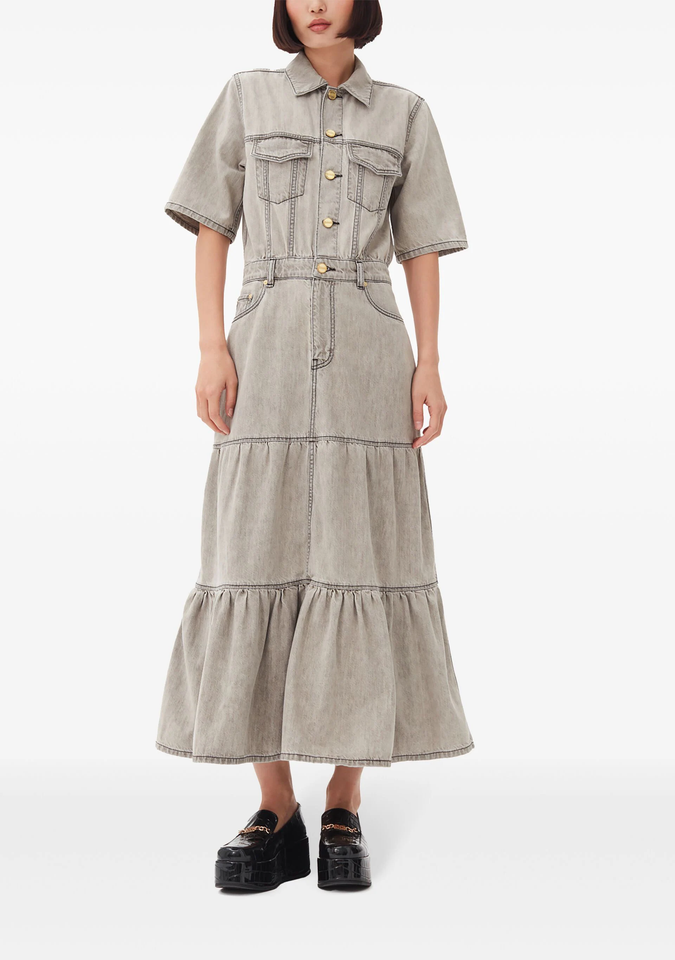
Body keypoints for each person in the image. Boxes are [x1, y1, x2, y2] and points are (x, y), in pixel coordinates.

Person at [156, 0, 474, 892]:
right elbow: (212, 226)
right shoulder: (246, 96)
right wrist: (211, 346)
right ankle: (275, 807)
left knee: (359, 562)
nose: (317, 4)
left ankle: (343, 801)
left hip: (372, 351)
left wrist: (430, 362)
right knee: (249, 560)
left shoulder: (406, 113)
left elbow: (421, 248)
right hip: (263, 346)